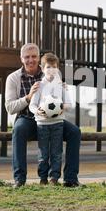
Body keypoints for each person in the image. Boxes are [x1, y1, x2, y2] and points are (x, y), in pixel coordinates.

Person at [5, 43, 82, 188]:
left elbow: (63, 95)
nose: (31, 60)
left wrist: (63, 89)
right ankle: (19, 179)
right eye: (27, 57)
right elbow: (10, 108)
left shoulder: (50, 72)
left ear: (39, 58)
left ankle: (70, 179)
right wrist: (28, 97)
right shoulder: (13, 78)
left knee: (74, 132)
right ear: (21, 59)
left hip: (52, 120)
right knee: (18, 130)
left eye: (34, 56)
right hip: (27, 118)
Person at [29, 53, 72, 185]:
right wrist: (38, 111)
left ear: (58, 68)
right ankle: (42, 178)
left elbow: (69, 104)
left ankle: (54, 177)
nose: (51, 70)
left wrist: (61, 107)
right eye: (48, 67)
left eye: (54, 67)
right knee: (43, 153)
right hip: (42, 124)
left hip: (57, 123)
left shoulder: (61, 86)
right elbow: (32, 105)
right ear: (42, 68)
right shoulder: (39, 86)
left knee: (56, 152)